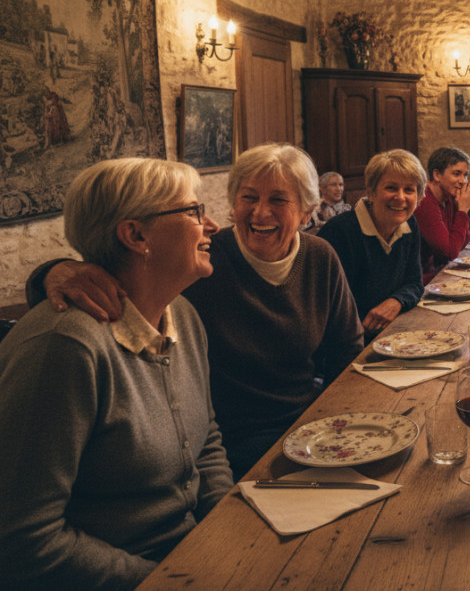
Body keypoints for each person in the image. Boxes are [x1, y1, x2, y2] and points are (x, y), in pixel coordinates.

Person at [31, 144, 364, 479]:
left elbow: (346, 348)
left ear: (308, 212)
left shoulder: (316, 257)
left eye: (278, 200)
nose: (259, 213)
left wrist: (333, 423)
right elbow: (115, 277)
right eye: (248, 197)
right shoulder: (196, 264)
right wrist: (53, 270)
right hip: (235, 442)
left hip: (300, 425)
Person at [0, 158, 232, 589]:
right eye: (193, 212)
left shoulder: (179, 312)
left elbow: (207, 442)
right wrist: (171, 581)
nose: (211, 224)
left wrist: (225, 534)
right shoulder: (65, 347)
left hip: (194, 559)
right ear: (136, 235)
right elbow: (24, 539)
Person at [319, 149, 425, 336]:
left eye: (409, 189)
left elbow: (414, 283)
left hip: (394, 331)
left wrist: (396, 301)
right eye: (391, 188)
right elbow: (331, 307)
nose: (400, 197)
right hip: (352, 342)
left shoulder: (409, 224)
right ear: (371, 191)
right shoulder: (340, 232)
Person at [413, 146, 470, 284]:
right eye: (456, 174)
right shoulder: (425, 201)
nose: (463, 181)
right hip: (422, 281)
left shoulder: (449, 198)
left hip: (440, 273)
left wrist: (462, 208)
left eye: (465, 175)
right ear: (436, 175)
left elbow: (463, 243)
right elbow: (450, 253)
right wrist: (463, 211)